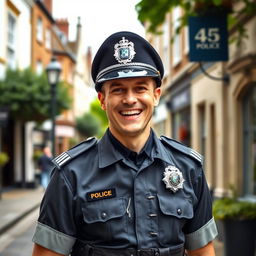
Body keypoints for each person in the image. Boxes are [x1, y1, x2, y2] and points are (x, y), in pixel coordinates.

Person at [32, 31, 218, 256]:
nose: (130, 99)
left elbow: (203, 252)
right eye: (118, 89)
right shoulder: (70, 175)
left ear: (156, 95)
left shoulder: (188, 168)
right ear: (103, 100)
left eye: (140, 88)